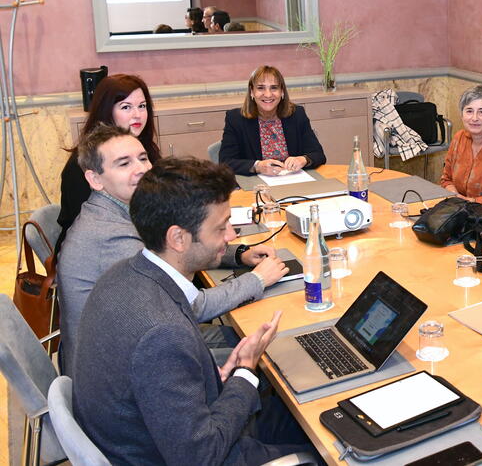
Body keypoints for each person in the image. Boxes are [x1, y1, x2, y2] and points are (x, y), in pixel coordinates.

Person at [73, 157, 319, 464]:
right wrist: (245, 371)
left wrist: (213, 375)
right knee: (325, 444)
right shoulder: (162, 335)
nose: (230, 236)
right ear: (177, 238)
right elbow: (200, 456)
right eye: (220, 227)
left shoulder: (123, 273)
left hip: (158, 431)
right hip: (187, 453)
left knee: (292, 407)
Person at [57, 126, 285, 374]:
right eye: (124, 164)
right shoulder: (112, 237)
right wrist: (257, 279)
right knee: (270, 361)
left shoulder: (119, 209)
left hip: (126, 343)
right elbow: (192, 306)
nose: (142, 169)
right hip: (117, 368)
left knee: (246, 337)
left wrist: (239, 254)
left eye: (143, 158)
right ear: (95, 179)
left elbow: (177, 247)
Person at [56, 74, 161, 249]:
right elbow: (87, 228)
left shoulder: (144, 149)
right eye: (126, 107)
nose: (137, 115)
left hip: (137, 239)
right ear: (106, 110)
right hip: (96, 251)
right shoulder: (81, 164)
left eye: (142, 106)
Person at [219, 65, 326, 176]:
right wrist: (258, 166)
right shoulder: (236, 119)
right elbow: (225, 162)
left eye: (274, 88)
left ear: (282, 92)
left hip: (293, 180)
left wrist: (303, 159)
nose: (268, 94)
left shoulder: (297, 114)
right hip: (257, 186)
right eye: (261, 88)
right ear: (252, 92)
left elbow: (318, 154)